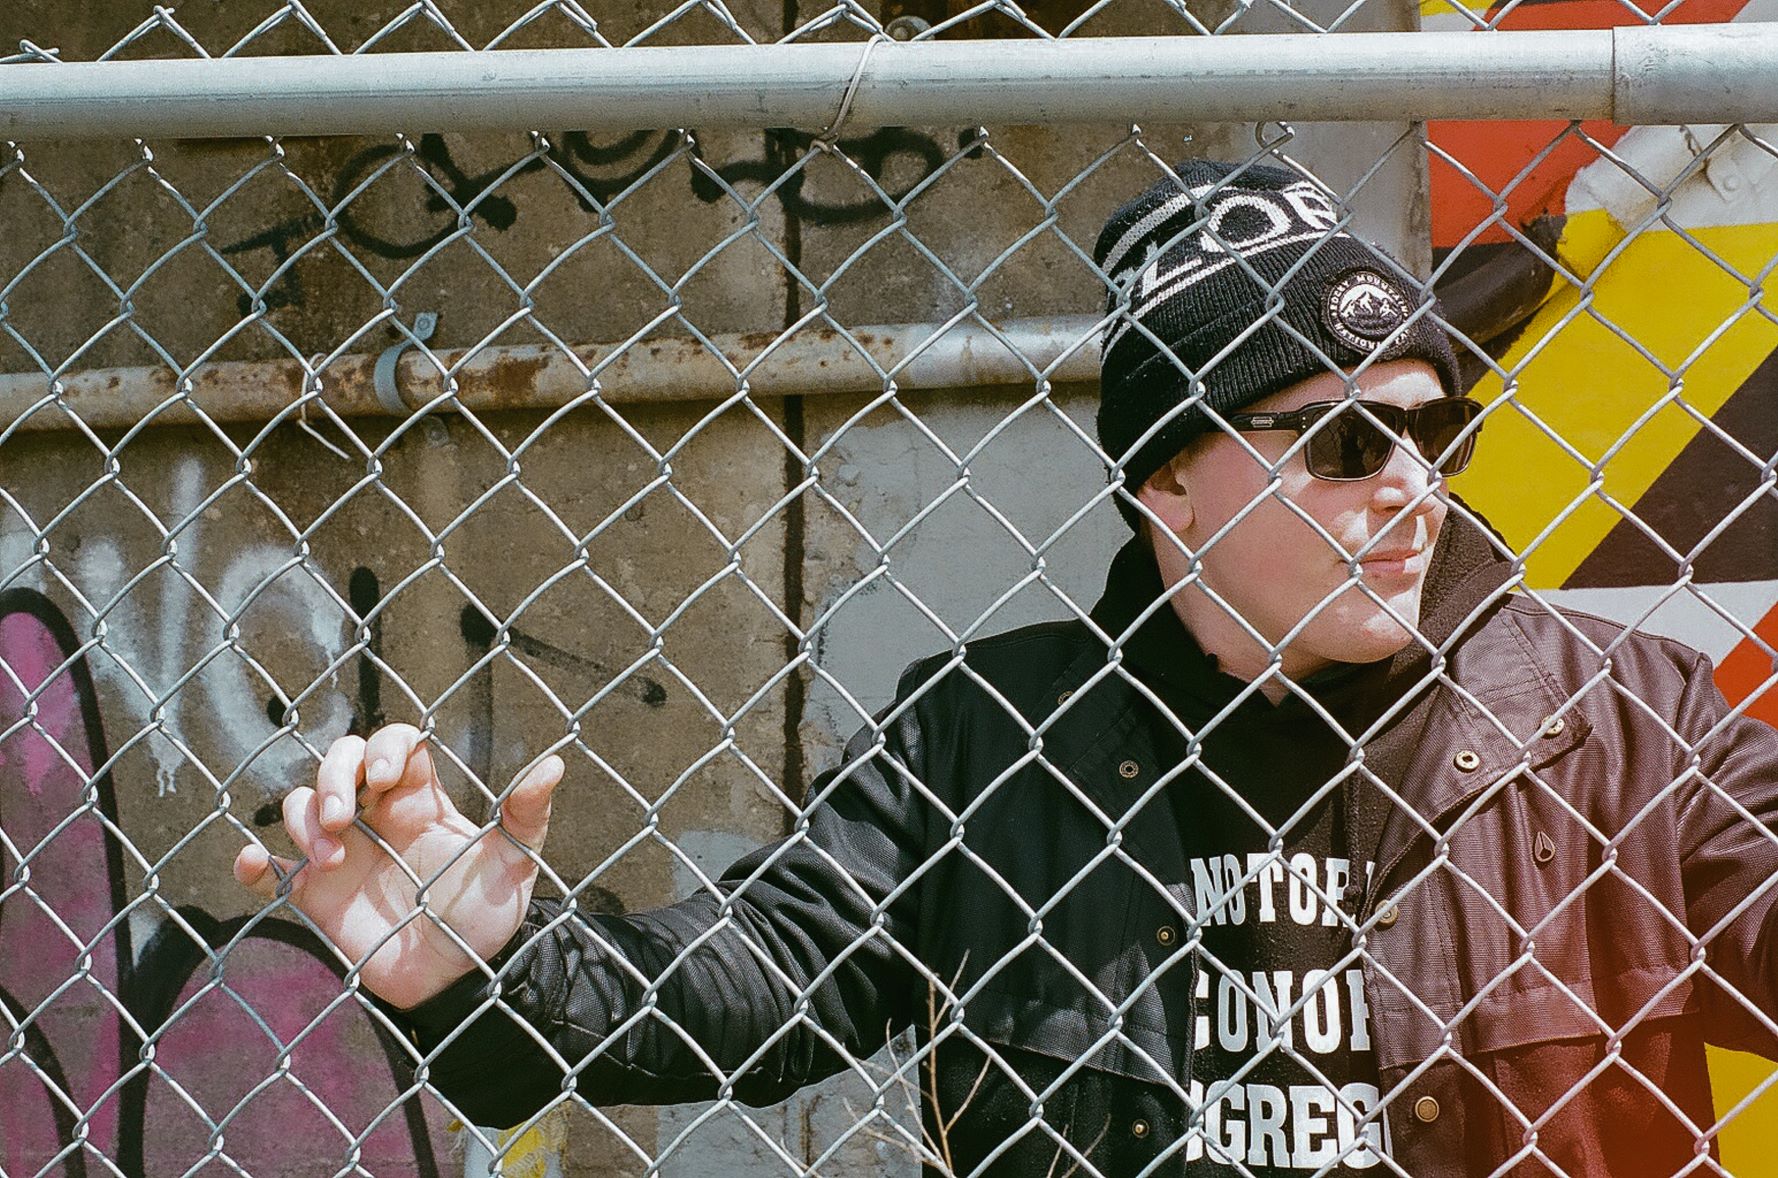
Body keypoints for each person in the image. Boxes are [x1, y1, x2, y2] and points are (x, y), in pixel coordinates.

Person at [234, 159, 1778, 1177]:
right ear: (1169, 483)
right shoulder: (989, 742)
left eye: (1433, 430)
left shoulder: (1621, 716)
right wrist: (495, 956)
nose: (1409, 486)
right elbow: (749, 986)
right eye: (1343, 441)